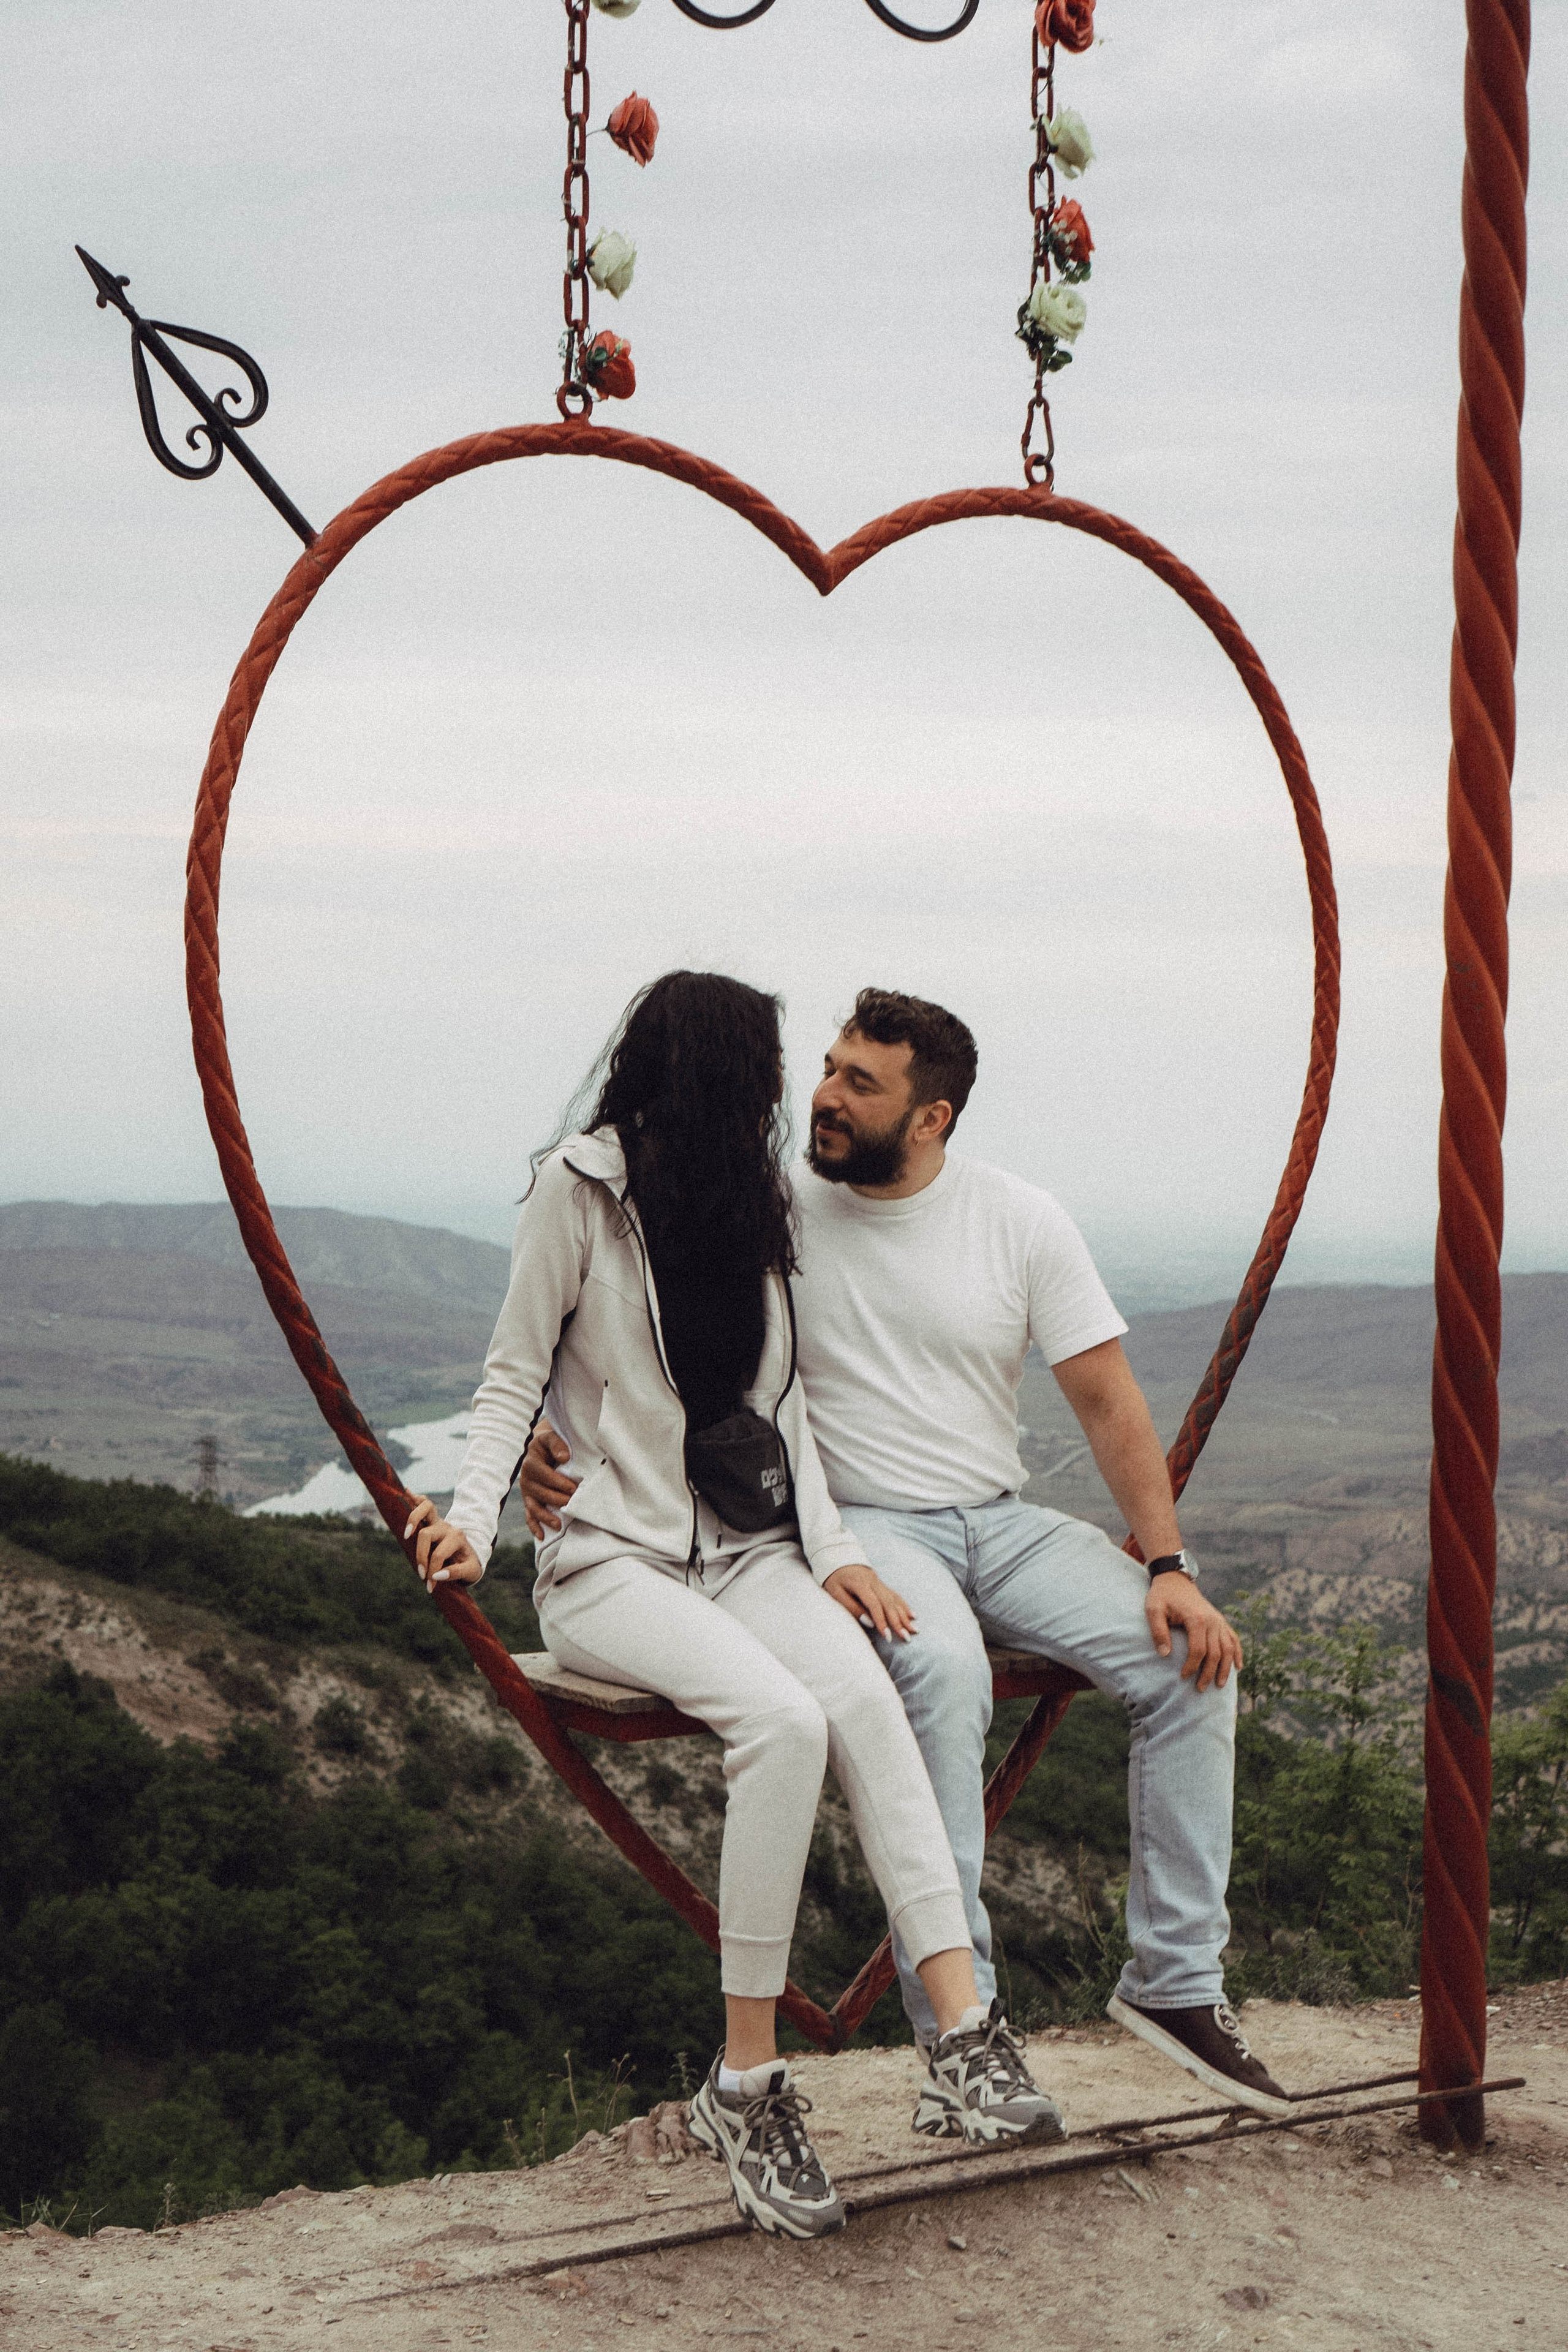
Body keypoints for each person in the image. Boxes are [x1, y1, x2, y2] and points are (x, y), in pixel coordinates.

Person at [524, 986, 1294, 2120]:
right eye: (827, 1071)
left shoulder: (1018, 1219)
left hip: (1000, 1516)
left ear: (930, 1118)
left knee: (1187, 1657)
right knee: (941, 1672)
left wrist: (1169, 1564)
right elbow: (615, 1317)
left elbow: (1104, 1395)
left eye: (857, 1085)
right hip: (858, 1527)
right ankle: (959, 2034)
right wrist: (551, 1439)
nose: (822, 1100)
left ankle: (1174, 1983)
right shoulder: (771, 1208)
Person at [405, 971, 1063, 2242]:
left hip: (751, 1552)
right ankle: (746, 2087)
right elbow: (509, 1376)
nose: (783, 1093)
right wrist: (469, 1516)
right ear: (705, 1074)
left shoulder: (748, 1203)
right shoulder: (576, 1192)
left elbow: (788, 1411)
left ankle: (965, 2037)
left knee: (865, 1703)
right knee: (782, 1725)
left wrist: (827, 1555)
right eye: (765, 1071)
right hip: (613, 1564)